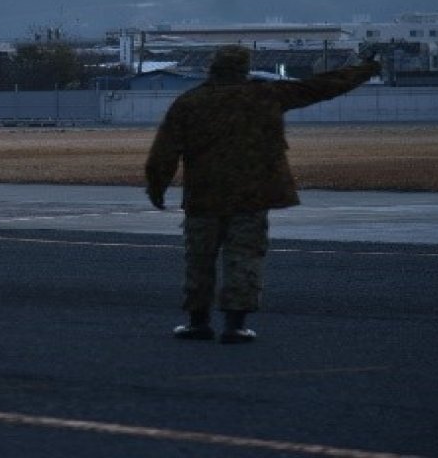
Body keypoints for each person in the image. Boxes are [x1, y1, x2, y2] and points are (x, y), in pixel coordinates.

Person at [144, 45, 381, 343]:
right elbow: (322, 86)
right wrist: (364, 69)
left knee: (199, 260)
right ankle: (235, 325)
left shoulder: (189, 102)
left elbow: (163, 153)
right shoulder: (264, 95)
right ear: (245, 68)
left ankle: (198, 322)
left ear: (212, 67)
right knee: (244, 258)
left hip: (204, 195)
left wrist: (156, 188)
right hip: (252, 195)